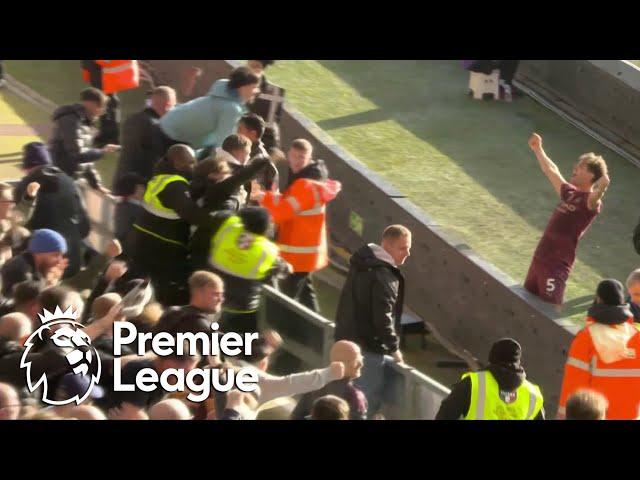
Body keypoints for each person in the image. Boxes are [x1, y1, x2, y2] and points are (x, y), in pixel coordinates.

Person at [251, 139, 341, 313]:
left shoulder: (304, 184)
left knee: (286, 300)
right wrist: (264, 196)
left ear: (309, 158)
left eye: (301, 157)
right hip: (305, 252)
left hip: (298, 254)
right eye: (294, 156)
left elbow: (282, 212)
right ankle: (317, 332)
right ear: (288, 156)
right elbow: (288, 202)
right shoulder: (309, 180)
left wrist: (262, 198)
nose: (297, 161)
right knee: (306, 295)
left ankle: (282, 328)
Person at [525, 133, 610, 306]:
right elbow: (551, 170)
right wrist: (538, 149)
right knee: (525, 302)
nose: (575, 167)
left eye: (581, 166)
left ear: (592, 176)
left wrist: (602, 188)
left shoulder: (590, 202)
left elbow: (596, 197)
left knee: (550, 312)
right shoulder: (570, 193)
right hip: (539, 259)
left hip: (555, 266)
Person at [334, 225, 410, 416]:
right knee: (362, 402)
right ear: (388, 246)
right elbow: (382, 319)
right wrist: (394, 348)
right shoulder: (384, 277)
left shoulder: (362, 263)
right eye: (403, 248)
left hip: (345, 339)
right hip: (368, 348)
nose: (407, 253)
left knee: (342, 396)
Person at [127, 144, 209, 306]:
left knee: (137, 287)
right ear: (178, 163)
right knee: (154, 295)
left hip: (143, 241)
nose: (194, 166)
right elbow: (192, 214)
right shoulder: (174, 185)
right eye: (190, 162)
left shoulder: (161, 178)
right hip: (161, 249)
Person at [190, 207, 290, 334]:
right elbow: (282, 270)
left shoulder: (228, 227)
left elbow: (226, 215)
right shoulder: (268, 250)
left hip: (212, 296)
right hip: (242, 307)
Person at [558, 279, 640, 420]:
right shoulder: (636, 336)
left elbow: (574, 382)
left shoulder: (587, 337)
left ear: (599, 299)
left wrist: (564, 414)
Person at [228, 330, 346, 419]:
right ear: (263, 362)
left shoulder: (218, 358)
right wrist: (329, 373)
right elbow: (293, 383)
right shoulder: (257, 382)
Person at [14, 142, 91, 277]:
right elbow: (84, 225)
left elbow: (19, 222)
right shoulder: (69, 182)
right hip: (72, 256)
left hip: (42, 262)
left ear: (27, 166)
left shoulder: (24, 186)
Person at [155, 66, 260, 160]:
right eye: (254, 87)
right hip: (169, 138)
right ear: (243, 87)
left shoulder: (222, 100)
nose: (256, 91)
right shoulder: (231, 109)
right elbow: (223, 147)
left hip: (165, 130)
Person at [436, 338, 545, 420]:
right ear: (518, 361)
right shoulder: (532, 395)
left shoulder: (473, 384)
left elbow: (445, 415)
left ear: (491, 358)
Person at [49, 88, 120, 192]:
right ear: (91, 104)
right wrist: (102, 151)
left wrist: (96, 184)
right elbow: (77, 155)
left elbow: (85, 159)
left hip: (69, 181)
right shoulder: (70, 120)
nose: (102, 112)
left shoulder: (84, 123)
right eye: (101, 107)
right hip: (59, 182)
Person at [113, 86, 177, 183]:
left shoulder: (132, 119)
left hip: (120, 180)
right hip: (139, 187)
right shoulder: (158, 127)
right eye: (173, 107)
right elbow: (155, 159)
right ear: (168, 105)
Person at [291, 340, 367, 420]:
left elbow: (296, 416)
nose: (361, 364)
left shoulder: (316, 382)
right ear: (342, 364)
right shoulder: (355, 396)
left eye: (361, 358)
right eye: (356, 361)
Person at [81, 60, 140, 146]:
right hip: (102, 69)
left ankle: (110, 136)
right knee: (106, 100)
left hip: (105, 69)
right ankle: (107, 134)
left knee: (107, 101)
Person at [153, 271, 224, 340]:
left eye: (221, 294)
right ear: (200, 293)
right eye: (216, 294)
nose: (221, 299)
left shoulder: (172, 313)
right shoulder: (195, 322)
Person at [246, 60, 283, 152]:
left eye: (255, 66)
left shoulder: (274, 94)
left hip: (252, 150)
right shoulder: (233, 84)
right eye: (249, 64)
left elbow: (270, 131)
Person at [237, 113, 279, 193]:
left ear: (253, 134)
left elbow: (253, 191)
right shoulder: (238, 149)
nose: (237, 133)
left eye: (240, 129)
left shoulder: (259, 161)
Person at [113, 173, 146, 251]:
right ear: (136, 189)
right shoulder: (138, 211)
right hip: (127, 250)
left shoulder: (119, 204)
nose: (144, 189)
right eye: (142, 186)